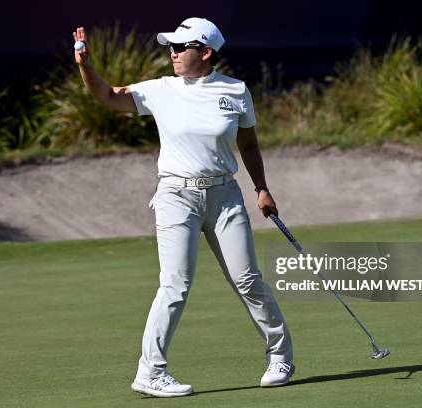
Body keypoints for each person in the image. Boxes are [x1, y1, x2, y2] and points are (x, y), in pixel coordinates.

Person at [73, 17, 294, 398]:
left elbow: (250, 145)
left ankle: (281, 357)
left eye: (180, 47)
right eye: (171, 47)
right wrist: (85, 65)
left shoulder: (236, 91)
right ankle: (151, 372)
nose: (172, 53)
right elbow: (108, 96)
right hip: (176, 197)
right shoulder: (161, 89)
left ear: (205, 53)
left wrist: (262, 188)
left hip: (225, 198)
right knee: (174, 284)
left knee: (247, 280)